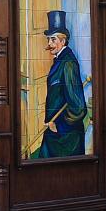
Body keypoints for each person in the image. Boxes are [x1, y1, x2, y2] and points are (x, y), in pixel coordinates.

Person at [37, 10, 87, 158]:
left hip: (66, 138)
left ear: (63, 41)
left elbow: (78, 107)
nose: (49, 44)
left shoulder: (68, 63)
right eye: (48, 40)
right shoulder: (59, 61)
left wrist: (58, 126)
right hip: (56, 134)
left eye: (53, 40)